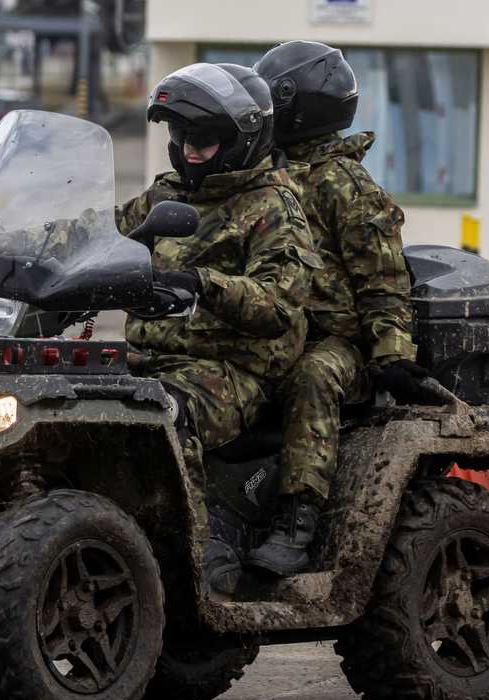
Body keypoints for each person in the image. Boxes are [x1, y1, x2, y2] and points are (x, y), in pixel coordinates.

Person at [117, 63, 320, 591]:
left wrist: (204, 283)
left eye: (204, 139)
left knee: (162, 412)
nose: (188, 149)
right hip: (148, 360)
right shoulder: (166, 197)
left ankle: (196, 559)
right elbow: (101, 240)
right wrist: (15, 248)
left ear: (241, 140)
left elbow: (279, 305)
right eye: (181, 136)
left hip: (234, 372)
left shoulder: (273, 208)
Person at [247, 41, 443, 576]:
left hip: (338, 346)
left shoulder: (347, 186)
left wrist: (392, 356)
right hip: (270, 329)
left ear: (297, 105)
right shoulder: (259, 174)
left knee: (313, 375)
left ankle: (297, 520)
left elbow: (384, 283)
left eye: (271, 100)